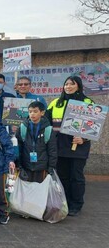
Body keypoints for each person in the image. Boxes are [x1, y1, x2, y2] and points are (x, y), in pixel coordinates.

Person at [46, 76, 93, 216]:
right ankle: (64, 201)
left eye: (72, 84)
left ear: (78, 86)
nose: (68, 87)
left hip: (78, 146)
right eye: (66, 84)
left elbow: (94, 125)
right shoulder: (56, 102)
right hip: (60, 145)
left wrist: (84, 138)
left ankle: (76, 204)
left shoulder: (87, 102)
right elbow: (47, 122)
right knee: (63, 176)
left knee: (76, 176)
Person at [16, 101, 57, 183]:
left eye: (35, 111)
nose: (32, 114)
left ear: (42, 113)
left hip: (42, 168)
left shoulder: (48, 129)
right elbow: (18, 149)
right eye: (30, 112)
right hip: (26, 166)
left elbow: (52, 150)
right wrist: (19, 166)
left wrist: (51, 168)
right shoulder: (23, 128)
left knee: (40, 192)